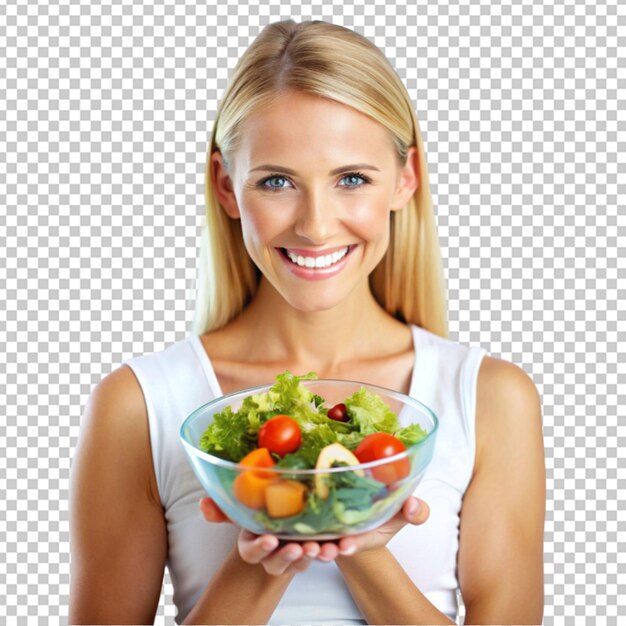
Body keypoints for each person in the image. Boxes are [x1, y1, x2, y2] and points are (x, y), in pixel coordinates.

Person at [69, 18, 546, 625]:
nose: (316, 226)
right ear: (226, 186)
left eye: (352, 179)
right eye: (276, 181)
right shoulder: (139, 405)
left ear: (406, 179)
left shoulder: (488, 398)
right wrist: (260, 552)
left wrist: (350, 529)